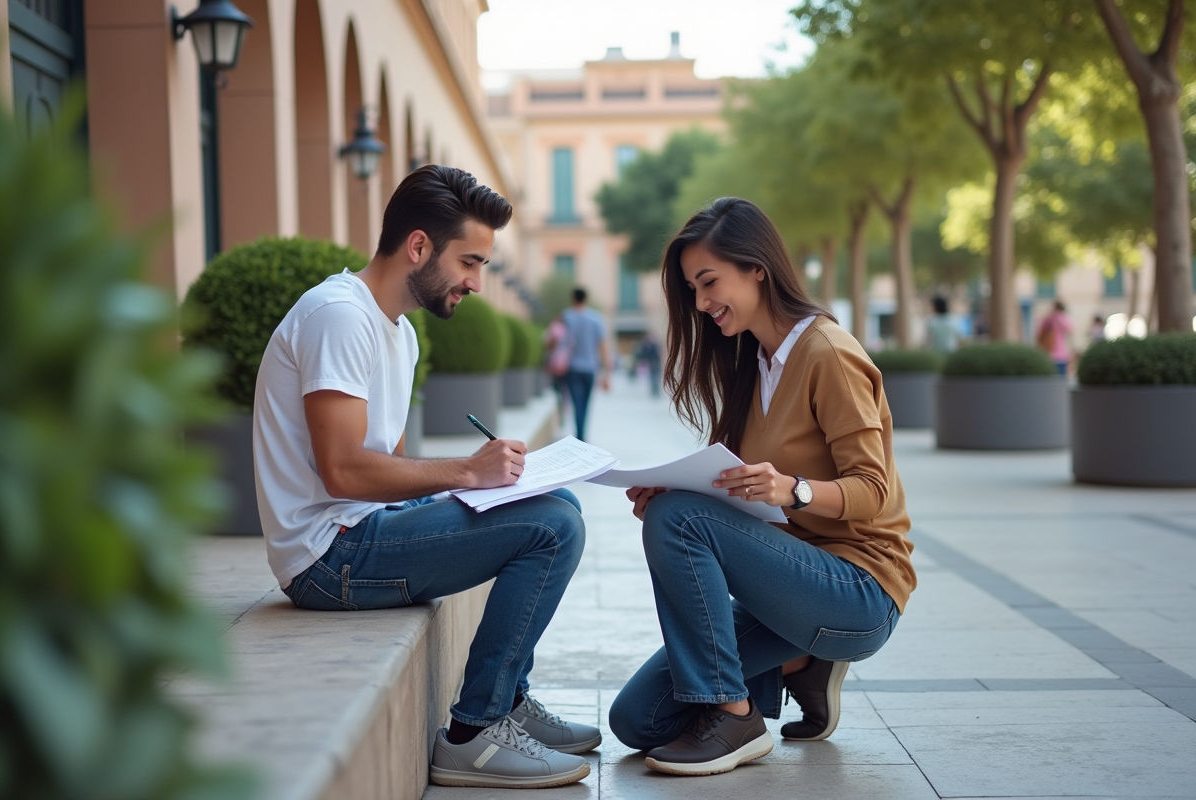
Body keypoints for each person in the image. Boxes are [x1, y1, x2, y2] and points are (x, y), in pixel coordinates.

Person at [253, 166, 597, 790]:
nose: (476, 283)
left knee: (557, 504)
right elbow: (343, 468)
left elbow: (395, 467)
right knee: (552, 527)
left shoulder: (400, 333)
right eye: (469, 262)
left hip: (366, 530)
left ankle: (508, 700)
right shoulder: (338, 316)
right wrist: (467, 469)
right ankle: (474, 734)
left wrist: (478, 486)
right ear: (418, 246)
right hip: (327, 559)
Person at [608, 198, 915, 777]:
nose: (701, 303)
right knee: (638, 721)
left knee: (681, 518)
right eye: (693, 290)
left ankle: (736, 716)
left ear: (756, 269)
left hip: (859, 588)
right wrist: (672, 491)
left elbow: (874, 491)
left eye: (708, 282)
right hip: (789, 586)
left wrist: (792, 490)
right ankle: (802, 665)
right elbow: (738, 491)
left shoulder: (828, 354)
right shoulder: (755, 362)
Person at [561, 287, 613, 441]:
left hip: (571, 368)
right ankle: (582, 436)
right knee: (586, 404)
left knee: (576, 403)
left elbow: (554, 338)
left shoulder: (566, 317)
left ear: (573, 299)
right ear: (586, 299)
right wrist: (607, 373)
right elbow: (602, 346)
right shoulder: (596, 318)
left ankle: (580, 436)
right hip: (590, 368)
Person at [1036, 300, 1073, 376]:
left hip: (1057, 354)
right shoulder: (1049, 319)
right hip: (1053, 353)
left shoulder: (1060, 318)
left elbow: (1070, 330)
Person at [635, 331, 663, 397]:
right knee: (652, 377)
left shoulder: (655, 345)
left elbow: (659, 354)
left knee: (656, 377)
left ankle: (656, 390)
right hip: (651, 363)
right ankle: (654, 390)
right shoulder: (646, 346)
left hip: (656, 363)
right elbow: (643, 354)